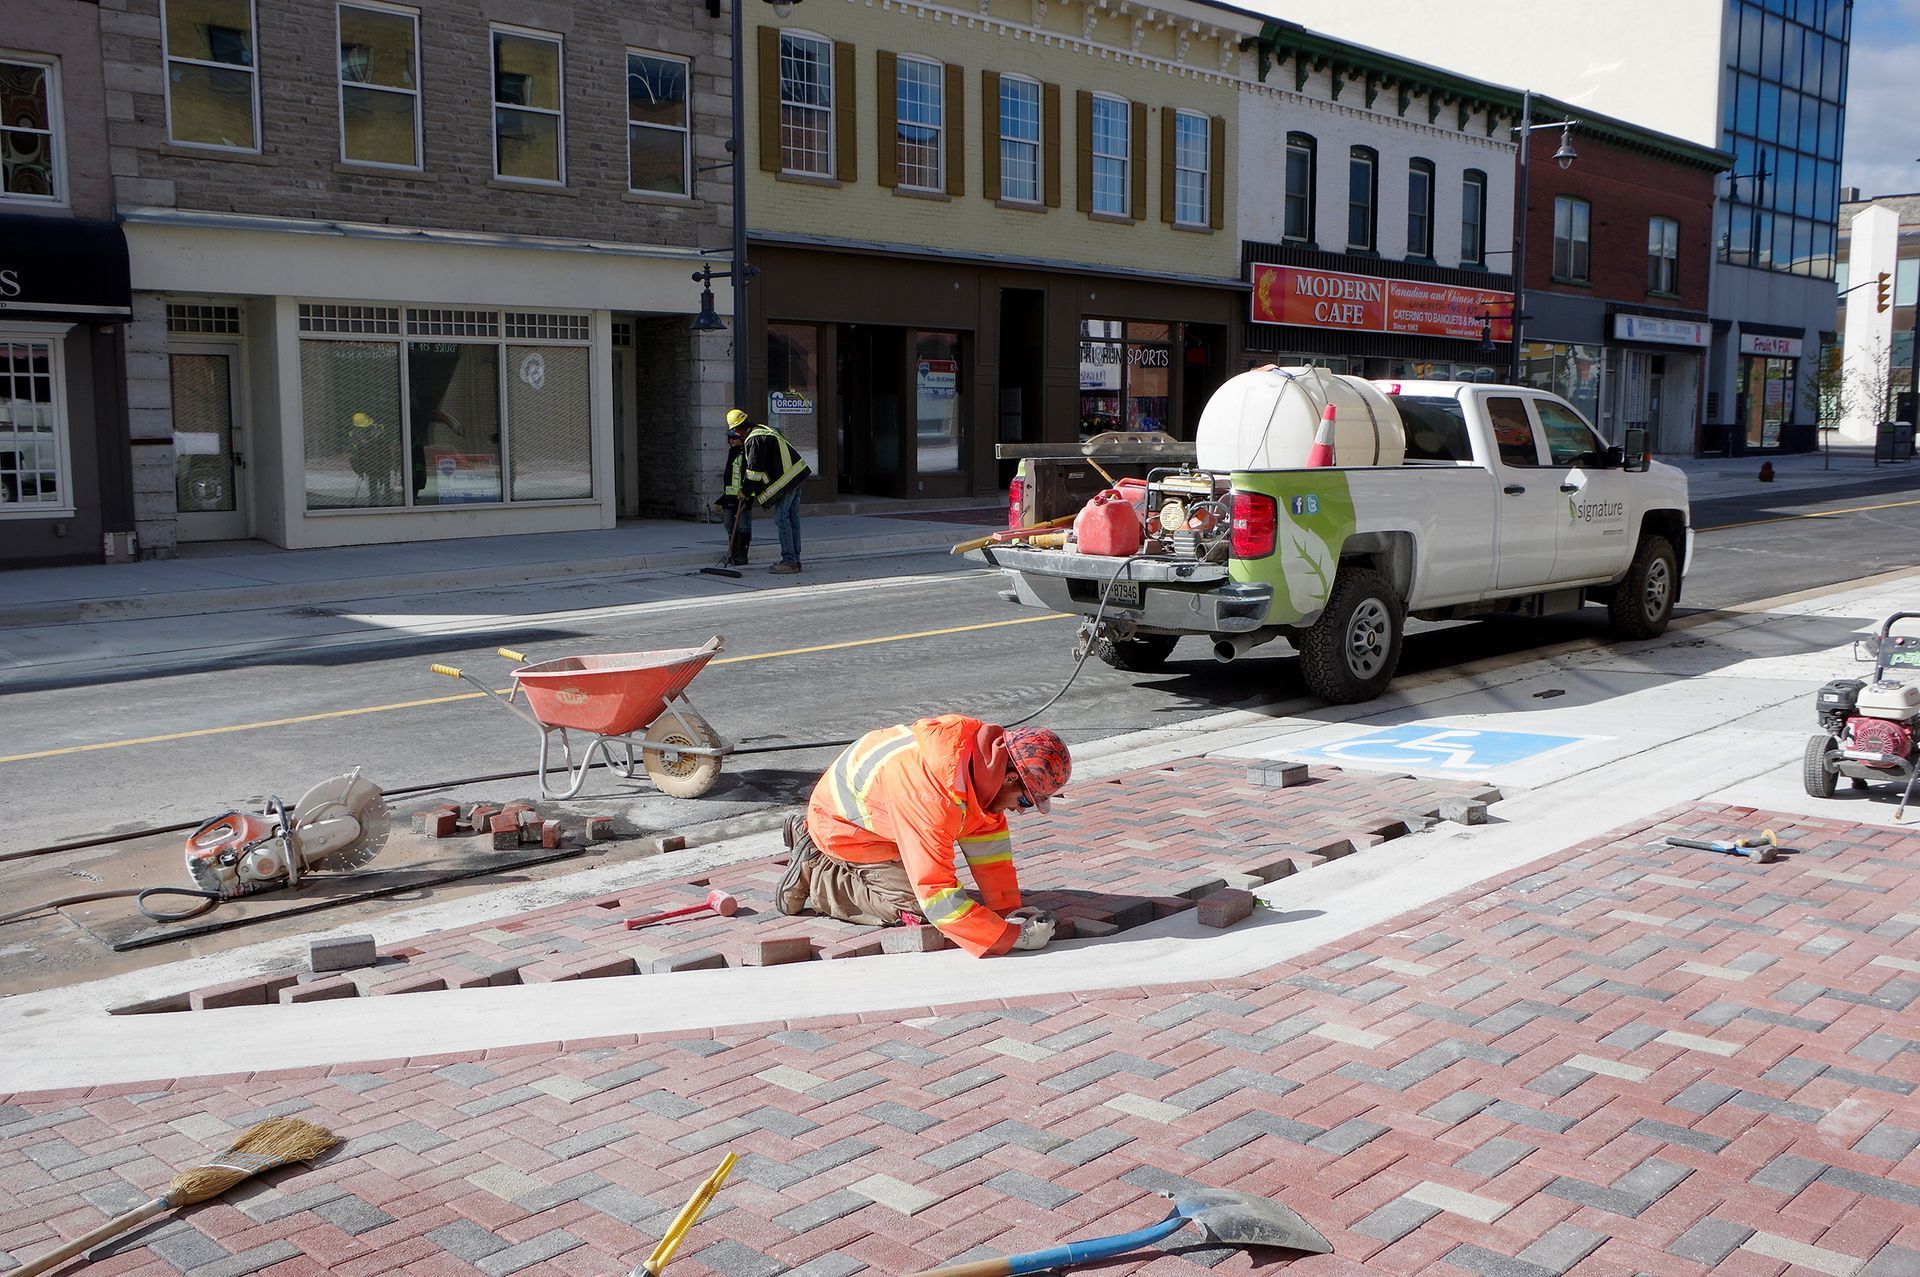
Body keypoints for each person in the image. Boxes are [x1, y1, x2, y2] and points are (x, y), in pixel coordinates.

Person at [777, 715, 1072, 956]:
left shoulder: (982, 761)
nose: (1020, 811)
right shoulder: (930, 795)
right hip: (847, 831)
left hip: (889, 815)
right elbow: (935, 892)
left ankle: (813, 845)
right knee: (918, 908)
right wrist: (1009, 937)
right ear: (1009, 778)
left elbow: (989, 848)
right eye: (1024, 801)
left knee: (957, 904)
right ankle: (815, 868)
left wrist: (1009, 909)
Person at [727, 407, 810, 574]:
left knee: (782, 519)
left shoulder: (754, 439)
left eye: (734, 431)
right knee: (792, 519)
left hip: (787, 480)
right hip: (797, 475)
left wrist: (745, 491)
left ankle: (789, 561)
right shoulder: (765, 429)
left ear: (737, 429)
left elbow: (754, 472)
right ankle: (795, 559)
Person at [713, 422, 752, 566]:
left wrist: (748, 495)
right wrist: (722, 499)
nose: (731, 441)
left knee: (742, 527)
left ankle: (741, 556)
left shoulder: (748, 452)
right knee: (729, 526)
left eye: (734, 438)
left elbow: (751, 476)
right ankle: (732, 553)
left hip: (743, 498)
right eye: (729, 439)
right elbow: (729, 480)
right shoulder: (732, 453)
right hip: (730, 498)